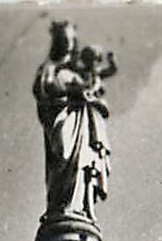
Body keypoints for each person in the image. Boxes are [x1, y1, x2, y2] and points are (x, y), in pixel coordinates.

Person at [33, 21, 116, 222]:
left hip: (81, 120)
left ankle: (77, 206)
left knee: (82, 162)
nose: (68, 44)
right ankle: (60, 204)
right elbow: (44, 90)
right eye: (64, 40)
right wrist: (71, 92)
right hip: (61, 117)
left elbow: (93, 87)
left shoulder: (79, 71)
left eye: (71, 40)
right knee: (62, 154)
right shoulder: (50, 69)